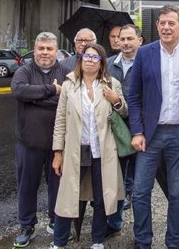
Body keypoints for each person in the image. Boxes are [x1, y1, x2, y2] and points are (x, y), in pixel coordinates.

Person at [127, 4, 179, 249]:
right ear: (157, 26)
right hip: (150, 135)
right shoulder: (145, 53)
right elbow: (134, 95)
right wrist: (137, 131)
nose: (166, 27)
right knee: (139, 192)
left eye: (171, 23)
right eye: (162, 23)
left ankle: (173, 242)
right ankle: (143, 242)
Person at [51, 43, 126, 249]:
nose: (90, 60)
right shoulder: (69, 85)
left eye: (95, 57)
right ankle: (59, 241)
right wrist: (58, 152)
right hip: (76, 150)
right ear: (81, 59)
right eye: (87, 56)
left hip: (102, 151)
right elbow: (60, 121)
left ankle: (97, 240)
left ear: (102, 62)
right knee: (68, 195)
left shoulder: (112, 84)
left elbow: (125, 112)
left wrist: (117, 100)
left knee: (102, 197)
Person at [10, 32, 66, 248]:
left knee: (57, 186)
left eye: (49, 48)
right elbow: (18, 91)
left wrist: (36, 99)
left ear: (56, 50)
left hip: (57, 145)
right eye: (41, 48)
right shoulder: (24, 71)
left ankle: (56, 220)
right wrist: (51, 90)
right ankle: (26, 225)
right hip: (29, 143)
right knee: (26, 186)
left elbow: (69, 99)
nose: (44, 52)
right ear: (35, 49)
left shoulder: (65, 71)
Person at [105, 24, 143, 237]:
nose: (126, 43)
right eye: (122, 39)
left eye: (130, 38)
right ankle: (114, 223)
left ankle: (140, 231)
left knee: (140, 185)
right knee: (115, 180)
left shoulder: (147, 63)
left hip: (140, 132)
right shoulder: (109, 64)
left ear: (140, 40)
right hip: (115, 132)